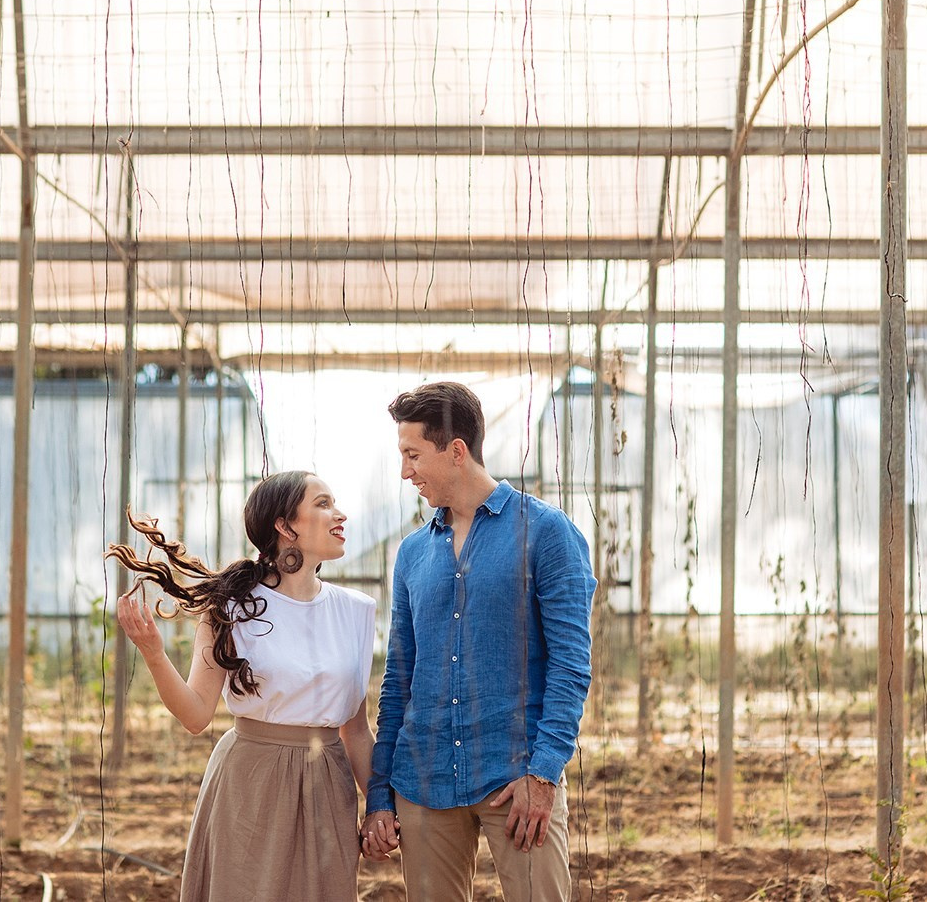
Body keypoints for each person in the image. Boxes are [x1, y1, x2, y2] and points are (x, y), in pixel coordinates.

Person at [362, 382, 594, 902]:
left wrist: (544, 773)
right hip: (423, 781)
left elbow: (571, 665)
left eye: (413, 454)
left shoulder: (547, 533)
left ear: (457, 451)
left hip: (515, 779)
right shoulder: (412, 554)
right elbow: (398, 680)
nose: (406, 472)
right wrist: (380, 793)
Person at [108, 470, 377, 902]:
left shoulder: (357, 611)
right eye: (323, 504)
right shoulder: (231, 607)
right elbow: (197, 714)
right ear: (285, 526)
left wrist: (379, 805)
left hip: (328, 786)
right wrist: (153, 653)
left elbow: (356, 731)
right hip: (250, 783)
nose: (339, 514)